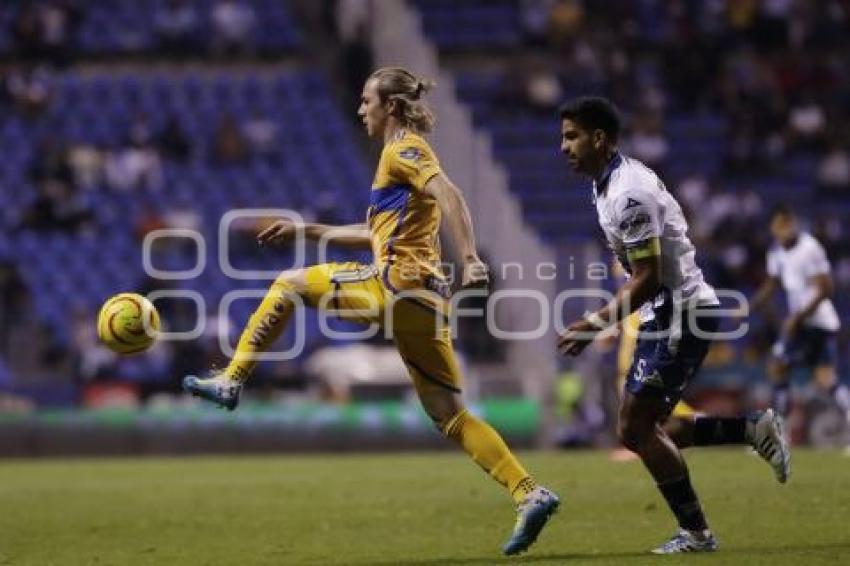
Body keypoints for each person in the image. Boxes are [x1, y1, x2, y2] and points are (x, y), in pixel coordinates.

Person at [183, 67, 559, 556]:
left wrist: (469, 257)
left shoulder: (404, 149)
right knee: (449, 414)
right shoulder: (398, 162)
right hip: (425, 302)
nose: (361, 109)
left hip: (395, 288)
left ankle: (232, 378)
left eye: (367, 101)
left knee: (289, 283)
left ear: (392, 107)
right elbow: (376, 234)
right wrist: (307, 230)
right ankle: (529, 493)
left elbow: (451, 193)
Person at [556, 97, 790, 554]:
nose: (563, 146)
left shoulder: (628, 193)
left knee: (636, 429)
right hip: (663, 315)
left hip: (681, 313)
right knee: (648, 427)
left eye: (571, 136)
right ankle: (752, 430)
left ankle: (699, 534)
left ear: (599, 139)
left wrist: (593, 324)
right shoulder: (605, 184)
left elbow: (648, 278)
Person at [745, 206, 849, 428]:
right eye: (778, 226)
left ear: (792, 224)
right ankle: (780, 427)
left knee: (780, 365)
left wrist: (797, 318)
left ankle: (778, 429)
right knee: (823, 378)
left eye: (786, 225)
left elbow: (827, 288)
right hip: (803, 321)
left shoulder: (810, 248)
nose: (782, 230)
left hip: (815, 320)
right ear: (773, 227)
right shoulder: (775, 252)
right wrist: (750, 307)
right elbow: (772, 283)